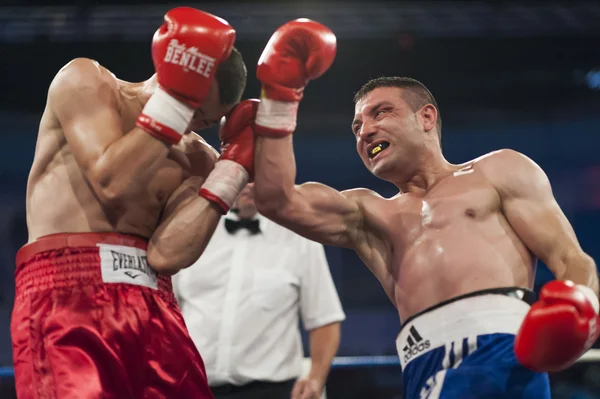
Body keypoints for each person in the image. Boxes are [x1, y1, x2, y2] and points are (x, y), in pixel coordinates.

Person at [244, 18, 600, 399]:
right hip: (423, 366)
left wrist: (584, 313)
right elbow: (277, 199)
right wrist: (279, 96)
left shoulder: (500, 170)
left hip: (505, 357)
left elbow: (570, 259)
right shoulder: (369, 213)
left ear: (426, 117)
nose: (364, 131)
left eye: (380, 113)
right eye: (356, 126)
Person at [11, 7, 257, 399]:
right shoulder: (87, 82)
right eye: (189, 107)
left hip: (154, 303)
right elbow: (111, 183)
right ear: (173, 74)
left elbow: (169, 255)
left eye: (203, 121)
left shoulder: (199, 158)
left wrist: (233, 171)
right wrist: (176, 102)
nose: (189, 125)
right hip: (67, 295)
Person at [173, 183, 345, 399]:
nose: (252, 184)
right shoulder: (195, 232)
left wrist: (316, 379)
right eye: (245, 174)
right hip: (191, 387)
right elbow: (166, 314)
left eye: (259, 175)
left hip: (271, 391)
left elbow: (325, 319)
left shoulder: (299, 238)